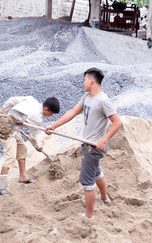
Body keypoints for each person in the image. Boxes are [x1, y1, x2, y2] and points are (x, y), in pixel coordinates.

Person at [46, 68, 122, 219]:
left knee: (86, 180)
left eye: (85, 80)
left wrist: (103, 140)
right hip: (88, 144)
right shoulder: (86, 97)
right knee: (96, 172)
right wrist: (54, 126)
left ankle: (89, 216)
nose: (83, 83)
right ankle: (105, 198)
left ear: (92, 80)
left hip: (94, 146)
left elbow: (117, 122)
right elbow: (73, 112)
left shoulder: (103, 101)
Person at [0, 96, 60, 187]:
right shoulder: (38, 119)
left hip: (14, 129)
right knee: (10, 156)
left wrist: (2, 109)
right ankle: (0, 184)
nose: (51, 116)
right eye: (51, 113)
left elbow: (11, 100)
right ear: (46, 109)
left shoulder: (31, 99)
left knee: (22, 150)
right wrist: (37, 147)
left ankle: (23, 177)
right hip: (6, 129)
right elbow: (32, 137)